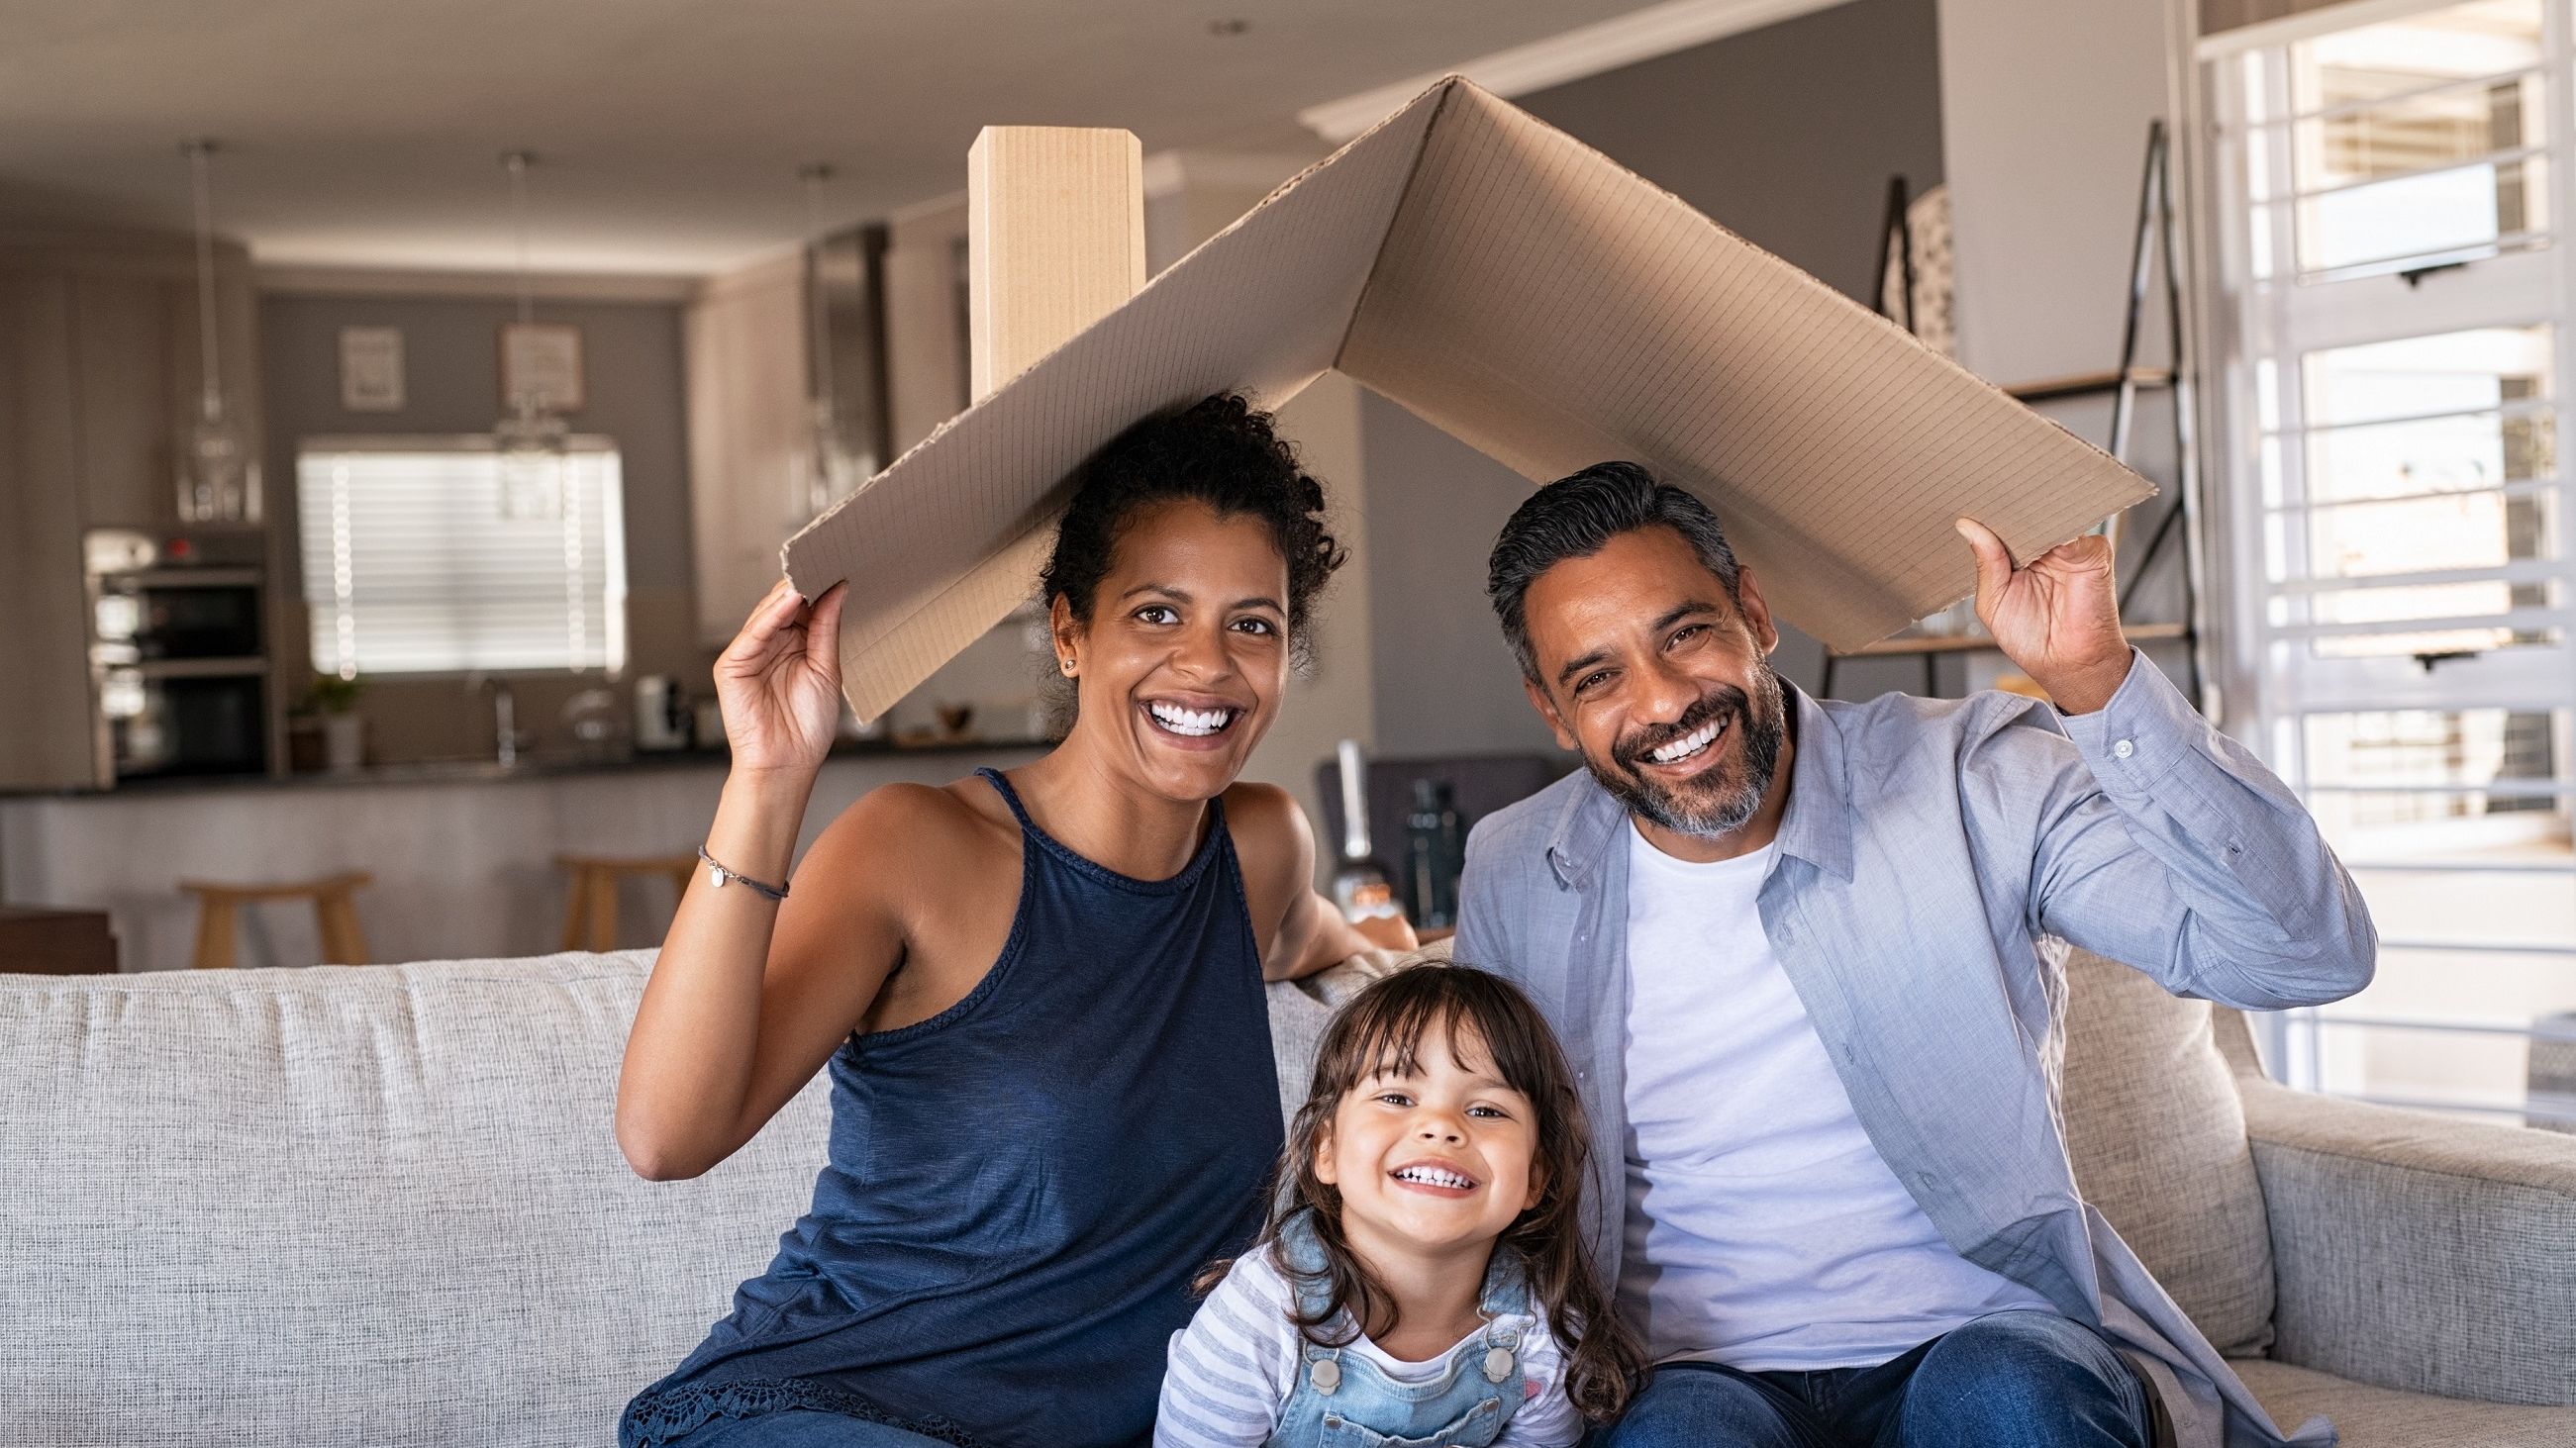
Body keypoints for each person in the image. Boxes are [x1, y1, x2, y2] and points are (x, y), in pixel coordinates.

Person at [1455, 462, 2374, 1448]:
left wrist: (2092, 678)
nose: (1666, 700)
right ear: (1552, 709)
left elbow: (2304, 958)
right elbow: (1477, 1150)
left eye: (1685, 633)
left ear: (1753, 610)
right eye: (1597, 677)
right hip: (1687, 1378)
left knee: (2004, 1400)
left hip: (1983, 1342)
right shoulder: (1515, 867)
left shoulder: (1971, 775)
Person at [614, 395, 1410, 1448]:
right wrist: (766, 777)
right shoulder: (916, 846)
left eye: (1250, 624)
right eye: (1157, 613)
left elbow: (1324, 940)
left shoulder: (1259, 847)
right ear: (1070, 631)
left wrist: (1402, 950)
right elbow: (666, 1136)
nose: (1207, 665)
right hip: (823, 1403)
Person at [1157, 966, 1645, 1448]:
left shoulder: (1539, 1331)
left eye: (1486, 1110)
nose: (1440, 1126)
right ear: (1325, 1149)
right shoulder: (1259, 1316)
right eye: (1396, 1096)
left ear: (1535, 1177)